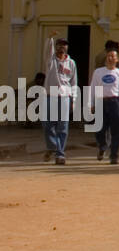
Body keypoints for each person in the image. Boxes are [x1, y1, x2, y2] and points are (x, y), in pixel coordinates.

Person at [90, 44, 119, 164]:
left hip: (114, 102)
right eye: (109, 56)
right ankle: (102, 146)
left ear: (117, 59)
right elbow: (93, 88)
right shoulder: (98, 72)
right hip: (101, 101)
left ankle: (114, 155)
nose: (110, 58)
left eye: (113, 56)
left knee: (116, 130)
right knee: (99, 129)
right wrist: (91, 103)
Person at [43, 37, 77, 165]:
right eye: (59, 45)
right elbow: (47, 51)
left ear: (67, 47)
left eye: (64, 45)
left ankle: (60, 154)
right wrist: (50, 39)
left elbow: (74, 82)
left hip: (65, 96)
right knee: (47, 124)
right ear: (55, 46)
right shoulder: (50, 60)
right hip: (50, 95)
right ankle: (53, 146)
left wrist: (73, 99)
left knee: (62, 127)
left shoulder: (71, 63)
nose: (62, 47)